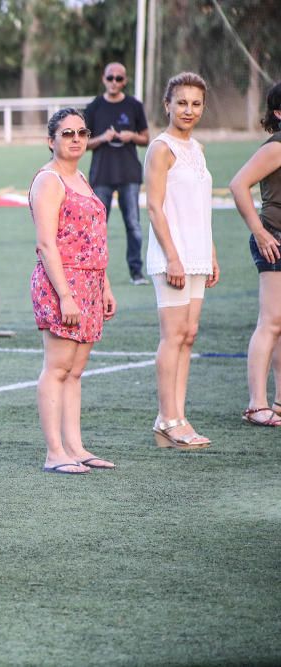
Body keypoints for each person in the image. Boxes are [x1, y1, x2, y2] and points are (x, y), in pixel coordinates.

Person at [29, 109, 118, 475]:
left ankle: (75, 446)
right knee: (57, 367)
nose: (76, 138)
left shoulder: (80, 176)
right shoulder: (49, 181)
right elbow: (47, 244)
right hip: (61, 283)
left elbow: (95, 237)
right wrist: (65, 295)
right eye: (67, 133)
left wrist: (105, 285)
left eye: (82, 132)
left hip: (91, 284)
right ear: (52, 140)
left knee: (76, 371)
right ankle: (54, 452)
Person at [144, 72, 219, 449]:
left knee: (188, 336)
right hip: (171, 256)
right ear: (167, 105)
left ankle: (179, 416)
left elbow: (200, 208)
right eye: (182, 102)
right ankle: (166, 418)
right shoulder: (161, 147)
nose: (188, 110)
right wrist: (173, 257)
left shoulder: (198, 149)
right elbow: (155, 208)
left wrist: (210, 254)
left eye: (196, 103)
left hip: (196, 255)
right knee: (173, 336)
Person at [229, 81, 281, 426]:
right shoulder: (277, 147)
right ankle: (256, 404)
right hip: (274, 239)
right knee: (271, 321)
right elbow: (238, 184)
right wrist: (259, 231)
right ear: (278, 113)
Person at [85, 62, 150, 286]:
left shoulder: (134, 106)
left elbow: (146, 138)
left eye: (119, 78)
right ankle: (95, 273)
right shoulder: (94, 107)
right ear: (103, 79)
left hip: (129, 174)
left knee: (133, 224)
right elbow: (82, 143)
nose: (114, 82)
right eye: (110, 78)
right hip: (101, 175)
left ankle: (136, 272)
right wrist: (102, 138)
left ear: (125, 80)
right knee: (97, 227)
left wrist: (131, 136)